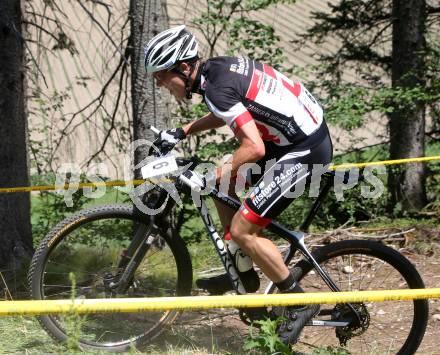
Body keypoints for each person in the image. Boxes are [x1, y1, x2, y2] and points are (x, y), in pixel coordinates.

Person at [144, 25, 333, 345]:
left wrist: (212, 175)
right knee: (223, 185)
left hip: (305, 149)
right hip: (293, 138)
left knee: (241, 221)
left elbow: (254, 147)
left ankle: (299, 302)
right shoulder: (215, 72)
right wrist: (183, 131)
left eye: (162, 76)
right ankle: (243, 272)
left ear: (184, 67)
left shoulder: (216, 85)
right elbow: (229, 111)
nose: (161, 84)